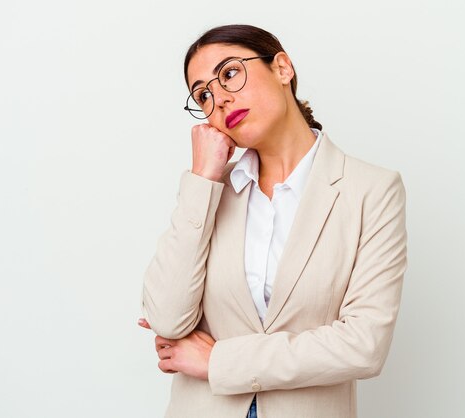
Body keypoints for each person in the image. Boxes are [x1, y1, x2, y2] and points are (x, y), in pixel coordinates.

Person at [139, 24, 407, 418]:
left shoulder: (372, 190)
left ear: (282, 68)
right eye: (204, 95)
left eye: (229, 73)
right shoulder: (209, 190)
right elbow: (166, 317)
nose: (221, 100)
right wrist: (203, 180)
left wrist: (220, 360)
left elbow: (364, 345)